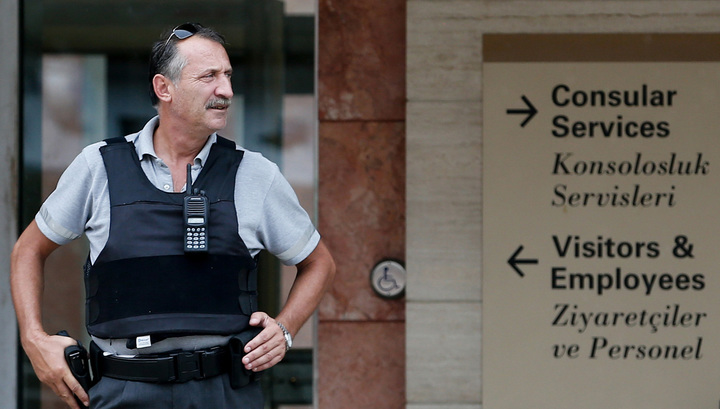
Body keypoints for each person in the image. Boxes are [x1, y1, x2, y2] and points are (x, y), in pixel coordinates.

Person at [10, 22, 335, 409]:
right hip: (123, 391)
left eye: (228, 75)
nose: (226, 90)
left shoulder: (255, 174)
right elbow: (28, 250)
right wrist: (33, 339)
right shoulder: (98, 167)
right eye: (209, 77)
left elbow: (319, 263)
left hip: (224, 393)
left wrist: (285, 328)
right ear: (164, 88)